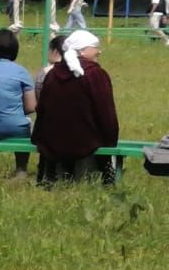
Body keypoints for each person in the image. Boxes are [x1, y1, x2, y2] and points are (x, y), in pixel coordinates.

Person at [34, 30, 118, 184]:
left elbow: (42, 110)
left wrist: (40, 139)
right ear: (82, 51)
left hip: (52, 142)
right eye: (95, 47)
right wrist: (111, 141)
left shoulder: (52, 75)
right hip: (87, 143)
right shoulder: (95, 74)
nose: (99, 51)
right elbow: (106, 113)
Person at [0, 29, 37, 175]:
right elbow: (30, 106)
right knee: (26, 123)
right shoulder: (20, 71)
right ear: (14, 50)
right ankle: (21, 169)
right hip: (11, 126)